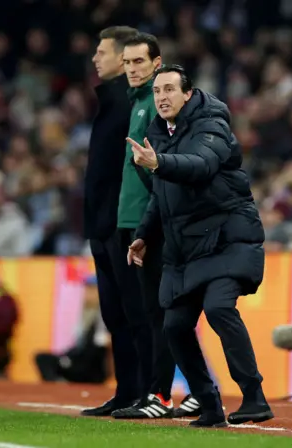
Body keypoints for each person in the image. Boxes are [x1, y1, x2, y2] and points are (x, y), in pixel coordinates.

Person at [126, 64, 273, 427]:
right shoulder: (157, 133)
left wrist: (158, 162)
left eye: (169, 90)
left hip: (227, 237)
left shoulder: (212, 125)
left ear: (188, 94)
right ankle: (208, 403)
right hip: (186, 248)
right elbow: (160, 197)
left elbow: (201, 166)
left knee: (219, 307)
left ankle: (254, 397)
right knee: (174, 326)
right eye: (157, 92)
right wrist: (143, 235)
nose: (162, 97)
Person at [111, 34, 199, 420]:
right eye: (127, 63)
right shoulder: (137, 103)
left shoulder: (155, 104)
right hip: (135, 220)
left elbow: (159, 172)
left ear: (157, 63)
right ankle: (190, 390)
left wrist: (149, 224)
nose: (131, 69)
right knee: (157, 312)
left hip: (153, 222)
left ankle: (162, 394)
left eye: (139, 62)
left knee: (162, 312)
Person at [81, 26, 149, 417]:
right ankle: (127, 391)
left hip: (123, 226)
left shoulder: (132, 105)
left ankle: (148, 392)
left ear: (123, 59)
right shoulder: (111, 103)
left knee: (136, 311)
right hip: (102, 226)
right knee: (115, 314)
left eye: (101, 51)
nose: (95, 58)